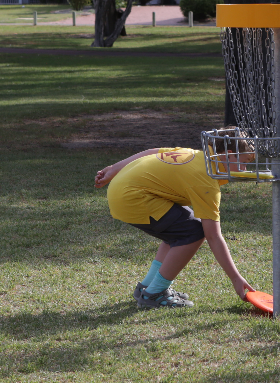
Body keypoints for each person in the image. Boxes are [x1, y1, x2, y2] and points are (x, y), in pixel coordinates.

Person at [94, 130, 255, 309]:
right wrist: (235, 277)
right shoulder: (206, 181)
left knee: (182, 227)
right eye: (244, 162)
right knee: (193, 232)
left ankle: (148, 287)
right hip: (131, 198)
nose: (245, 169)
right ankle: (153, 295)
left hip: (124, 189)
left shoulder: (195, 155)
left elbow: (152, 152)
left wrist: (115, 168)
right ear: (229, 155)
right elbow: (213, 237)